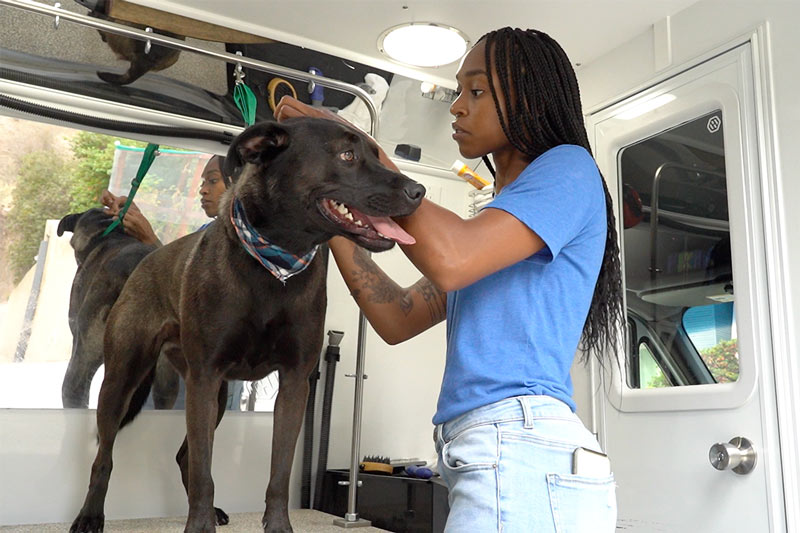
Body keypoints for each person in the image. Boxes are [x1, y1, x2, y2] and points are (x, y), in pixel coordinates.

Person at [275, 27, 623, 532]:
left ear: (529, 98)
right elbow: (397, 316)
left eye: (476, 91)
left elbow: (452, 257)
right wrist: (335, 220)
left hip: (522, 444)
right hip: (489, 447)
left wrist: (364, 158)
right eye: (458, 91)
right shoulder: (497, 232)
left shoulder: (568, 170)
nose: (457, 107)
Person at [101, 154, 245, 410]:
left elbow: (192, 291)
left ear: (239, 182)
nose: (203, 189)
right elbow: (182, 278)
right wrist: (141, 229)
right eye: (203, 181)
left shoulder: (244, 245)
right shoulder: (207, 232)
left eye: (212, 180)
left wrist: (149, 240)